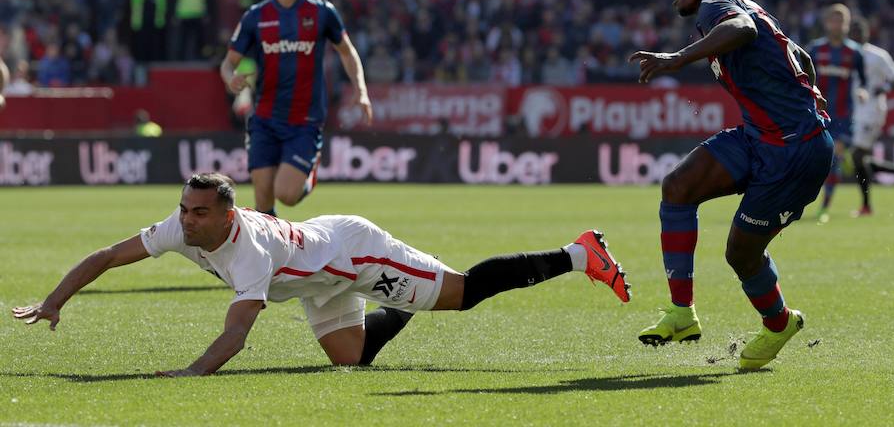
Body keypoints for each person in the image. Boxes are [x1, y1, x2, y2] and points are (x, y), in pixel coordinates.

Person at [12, 173, 631, 376]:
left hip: (352, 254)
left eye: (198, 213)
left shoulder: (247, 249)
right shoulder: (182, 227)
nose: (185, 221)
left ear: (229, 214)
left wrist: (187, 374)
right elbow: (103, 258)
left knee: (461, 294)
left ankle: (579, 254)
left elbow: (235, 338)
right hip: (314, 277)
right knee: (349, 362)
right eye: (183, 210)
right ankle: (405, 304)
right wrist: (53, 300)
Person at [628, 0, 833, 370]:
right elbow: (805, 60)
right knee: (678, 187)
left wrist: (677, 58)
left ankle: (779, 324)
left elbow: (742, 30)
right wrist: (808, 99)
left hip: (793, 153)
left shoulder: (717, 4)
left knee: (740, 254)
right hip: (761, 137)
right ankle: (681, 313)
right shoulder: (747, 5)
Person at [220, 0, 372, 217]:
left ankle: (309, 172)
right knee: (263, 202)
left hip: (305, 121)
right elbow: (227, 64)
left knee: (286, 194)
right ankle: (273, 258)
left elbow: (348, 53)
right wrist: (231, 80)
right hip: (264, 119)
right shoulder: (255, 16)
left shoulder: (322, 12)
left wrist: (361, 90)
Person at [806, 4, 866, 223]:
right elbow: (804, 79)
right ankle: (803, 200)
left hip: (842, 117)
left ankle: (824, 207)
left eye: (841, 20)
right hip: (816, 114)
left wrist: (862, 92)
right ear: (826, 23)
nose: (837, 24)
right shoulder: (815, 49)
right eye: (833, 20)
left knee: (835, 159)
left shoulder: (855, 52)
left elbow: (863, 82)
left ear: (847, 24)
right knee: (813, 161)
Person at [848, 18, 894, 216]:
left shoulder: (877, 55)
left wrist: (884, 88)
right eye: (853, 31)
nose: (856, 35)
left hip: (872, 110)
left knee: (857, 156)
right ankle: (867, 205)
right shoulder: (848, 53)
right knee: (862, 159)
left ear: (867, 33)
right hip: (854, 111)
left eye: (860, 31)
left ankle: (866, 206)